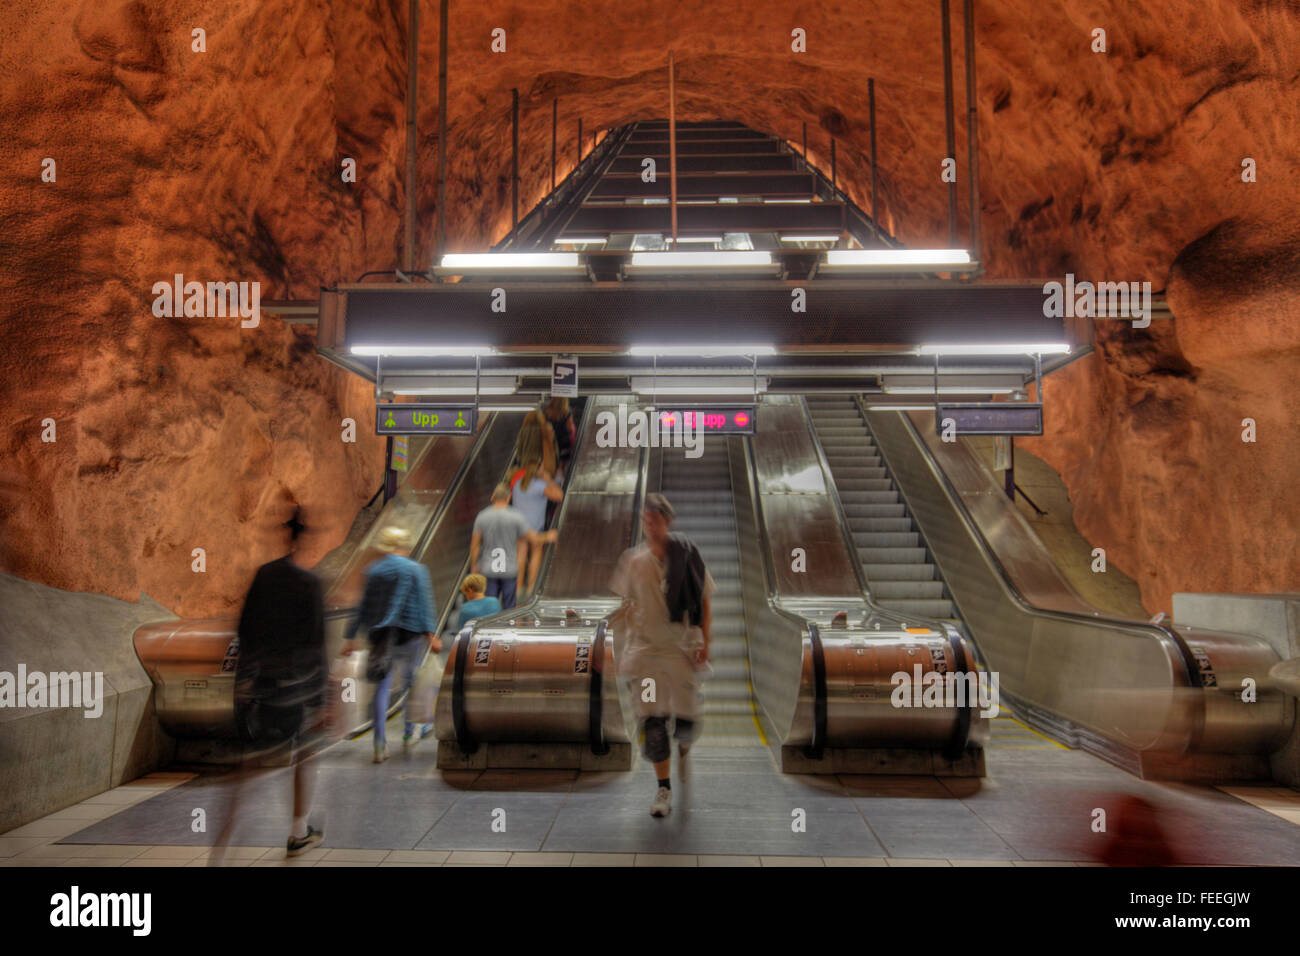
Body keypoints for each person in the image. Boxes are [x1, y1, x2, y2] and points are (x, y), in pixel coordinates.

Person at [214, 507, 327, 861]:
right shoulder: (310, 585)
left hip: (263, 687)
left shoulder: (263, 576)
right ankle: (298, 832)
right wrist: (322, 698)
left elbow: (244, 631)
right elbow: (316, 643)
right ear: (302, 540)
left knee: (246, 767)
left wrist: (244, 682)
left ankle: (222, 845)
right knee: (303, 757)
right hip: (297, 689)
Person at [609, 493, 714, 818]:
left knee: (686, 724)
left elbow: (706, 600)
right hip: (646, 653)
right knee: (653, 724)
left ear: (668, 521)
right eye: (645, 521)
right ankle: (663, 789)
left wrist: (705, 642)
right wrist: (615, 642)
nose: (649, 526)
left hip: (680, 649)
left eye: (654, 520)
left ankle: (683, 749)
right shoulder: (634, 560)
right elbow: (624, 606)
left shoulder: (688, 554)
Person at [342, 526, 440, 763]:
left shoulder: (373, 571)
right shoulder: (417, 569)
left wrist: (351, 637)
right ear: (404, 544)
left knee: (382, 686)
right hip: (410, 633)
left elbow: (361, 606)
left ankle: (379, 744)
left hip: (381, 636)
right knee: (409, 683)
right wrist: (431, 634)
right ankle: (408, 734)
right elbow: (425, 603)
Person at [470, 484, 554, 609]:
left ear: (493, 497)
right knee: (508, 609)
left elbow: (475, 545)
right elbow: (533, 538)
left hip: (488, 569)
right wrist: (548, 536)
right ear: (509, 498)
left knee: (489, 608)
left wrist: (474, 566)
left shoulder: (482, 516)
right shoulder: (516, 517)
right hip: (509, 570)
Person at [511, 458, 563, 596]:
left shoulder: (517, 484)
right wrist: (548, 480)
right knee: (536, 550)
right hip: (534, 528)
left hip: (518, 527)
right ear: (538, 469)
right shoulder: (539, 485)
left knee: (521, 553)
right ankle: (531, 588)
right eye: (541, 467)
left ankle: (517, 588)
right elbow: (559, 496)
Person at [544, 397, 577, 482]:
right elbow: (569, 428)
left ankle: (549, 475)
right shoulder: (566, 412)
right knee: (562, 460)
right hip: (563, 440)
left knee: (550, 457)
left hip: (550, 439)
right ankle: (560, 475)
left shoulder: (547, 410)